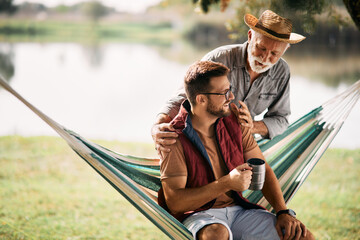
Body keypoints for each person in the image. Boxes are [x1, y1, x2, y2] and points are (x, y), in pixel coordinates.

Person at [157, 60, 314, 240]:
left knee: (302, 236)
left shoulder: (235, 120)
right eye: (224, 93)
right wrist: (226, 183)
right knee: (217, 234)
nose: (231, 96)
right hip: (198, 215)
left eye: (229, 89)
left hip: (240, 212)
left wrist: (283, 212)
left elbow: (264, 169)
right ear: (201, 99)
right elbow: (176, 203)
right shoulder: (173, 137)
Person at [152, 10, 306, 153]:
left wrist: (252, 127)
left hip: (241, 147)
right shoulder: (219, 58)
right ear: (250, 36)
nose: (265, 58)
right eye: (261, 48)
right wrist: (157, 126)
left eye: (274, 53)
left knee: (261, 177)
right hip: (203, 143)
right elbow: (184, 97)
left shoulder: (282, 72)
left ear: (285, 50)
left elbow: (281, 120)